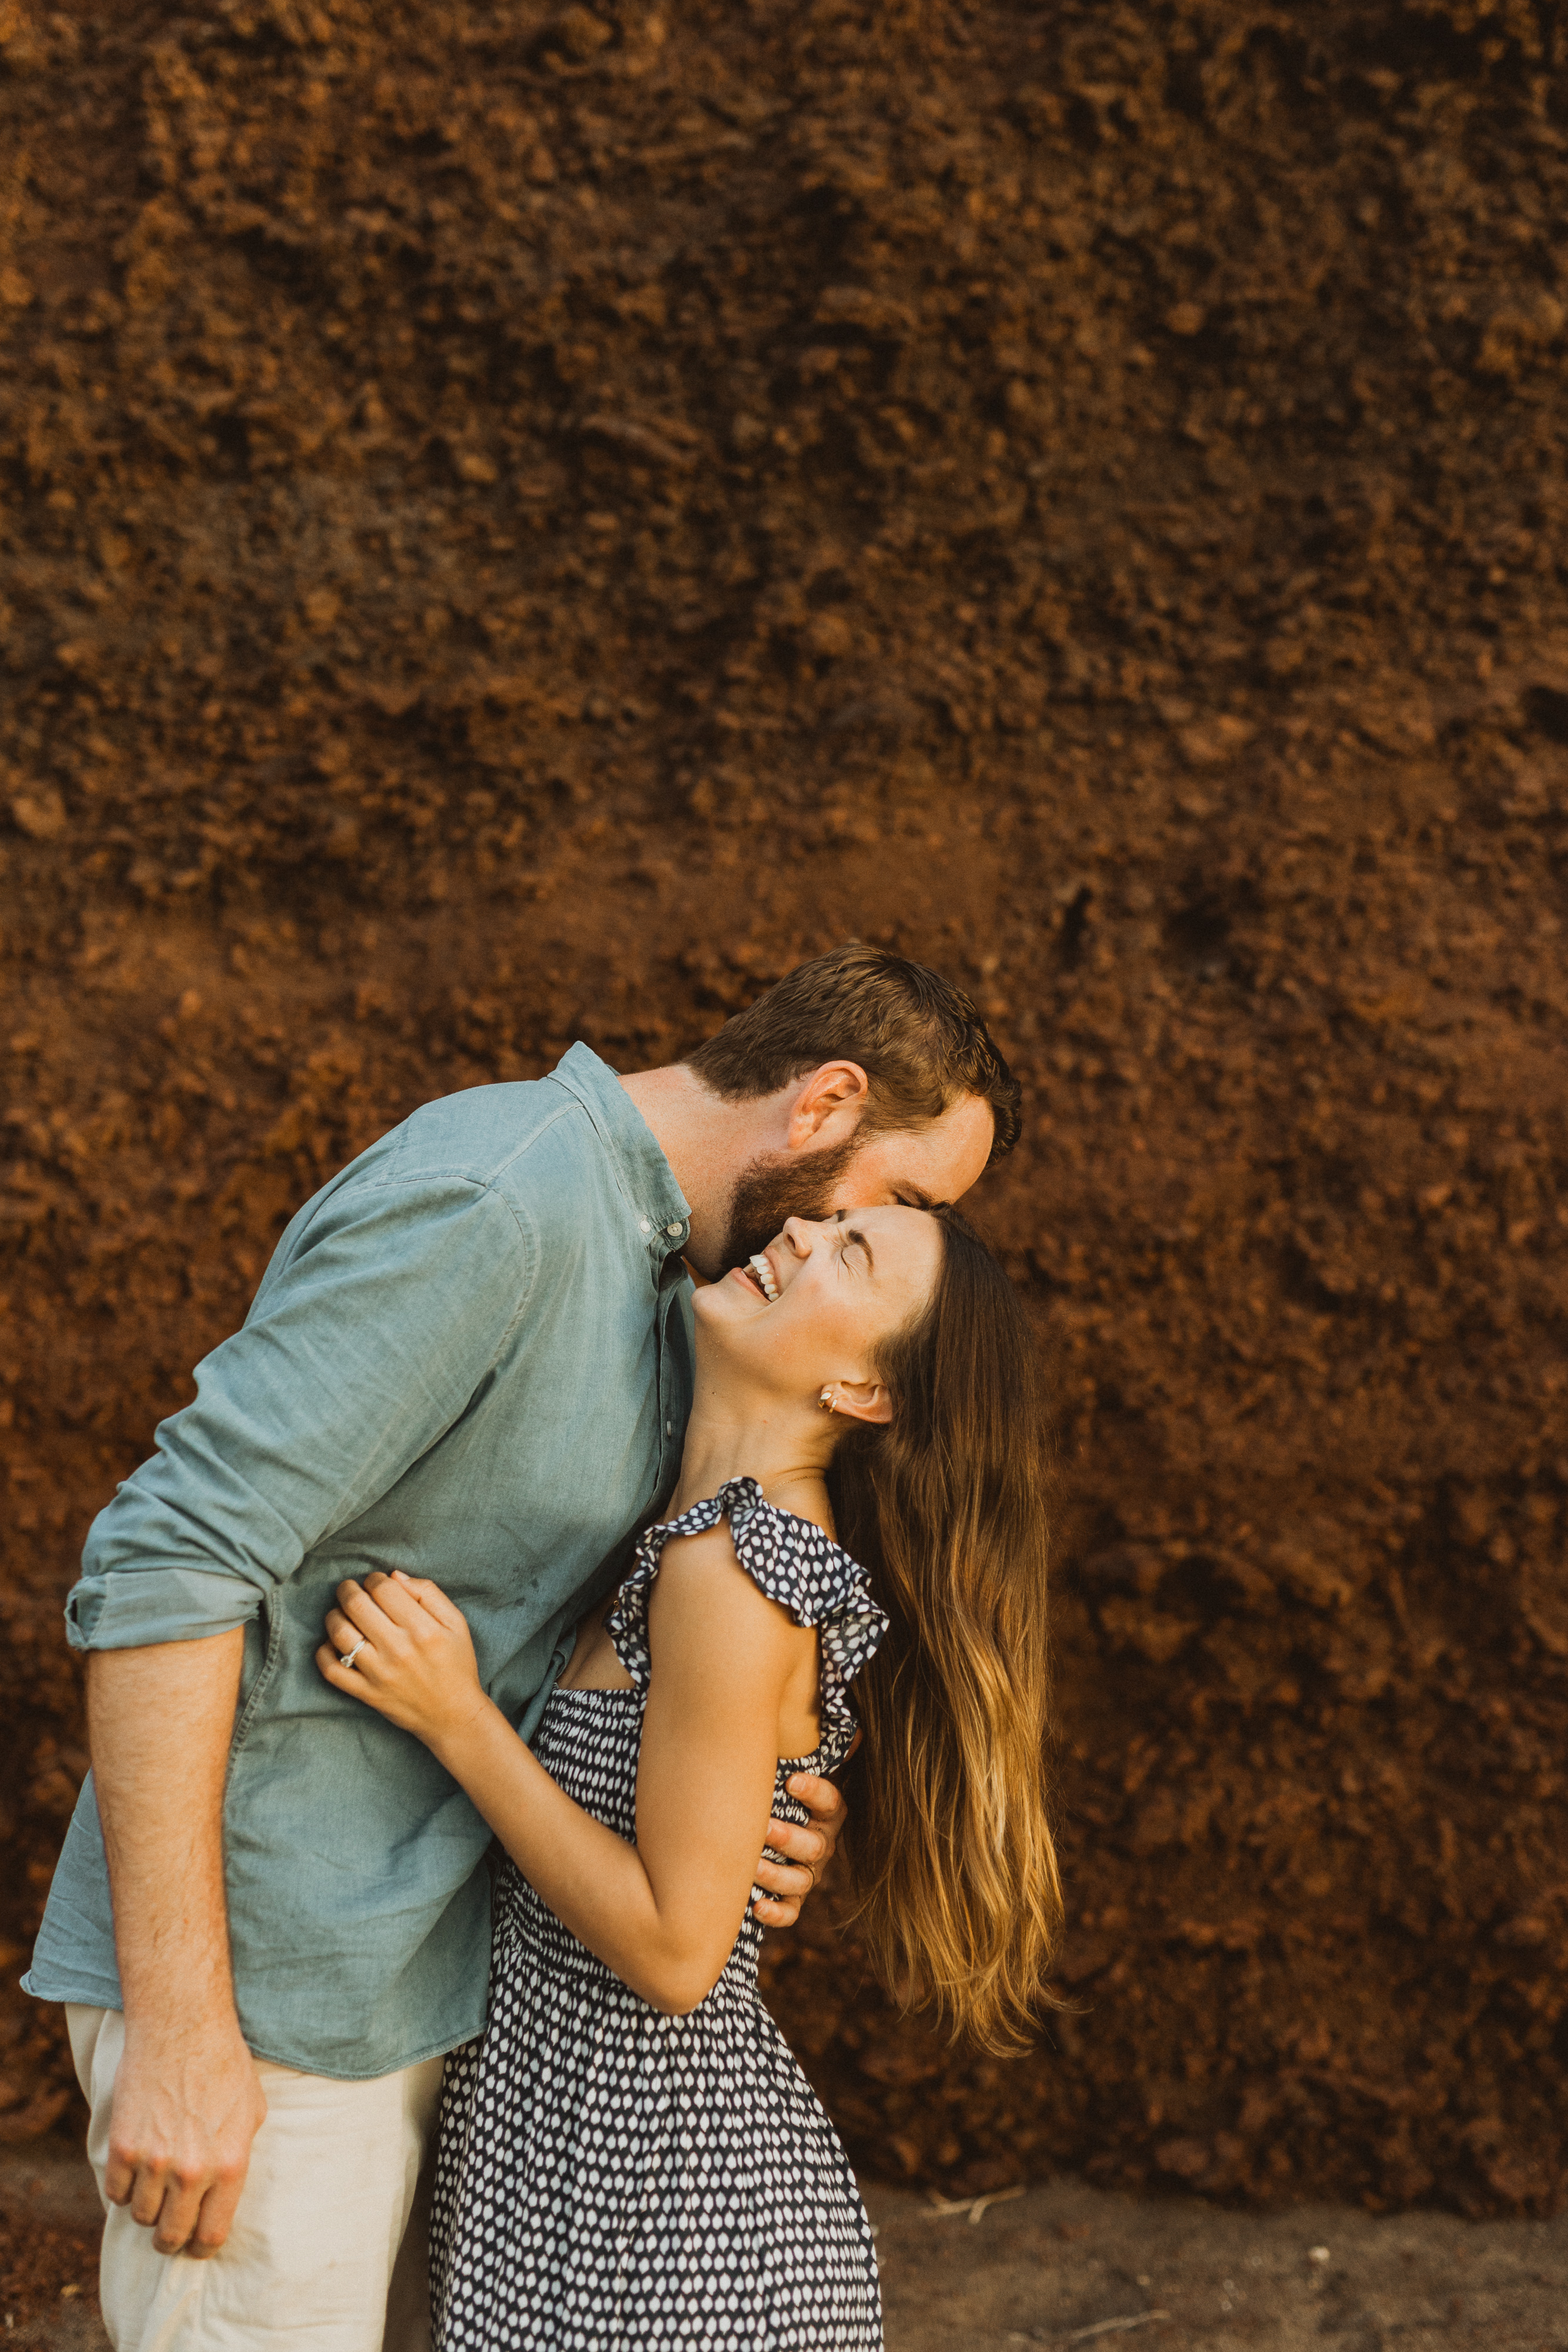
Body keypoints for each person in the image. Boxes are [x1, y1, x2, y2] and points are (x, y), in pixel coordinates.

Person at [24, 943, 1021, 2352]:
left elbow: (614, 1662)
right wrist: (186, 2029)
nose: (845, 1234)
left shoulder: (668, 1291)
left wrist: (752, 1819)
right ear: (822, 1107)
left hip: (449, 2007)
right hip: (274, 2001)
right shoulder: (501, 1204)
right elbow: (168, 1557)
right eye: (902, 1199)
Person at [314, 1197, 1061, 2348]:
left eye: (849, 1252)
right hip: (598, 2186)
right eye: (830, 1216)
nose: (804, 1230)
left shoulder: (731, 1567)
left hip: (667, 2229)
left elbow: (673, 1950)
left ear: (863, 1392)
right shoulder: (703, 1532)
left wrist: (454, 1715)